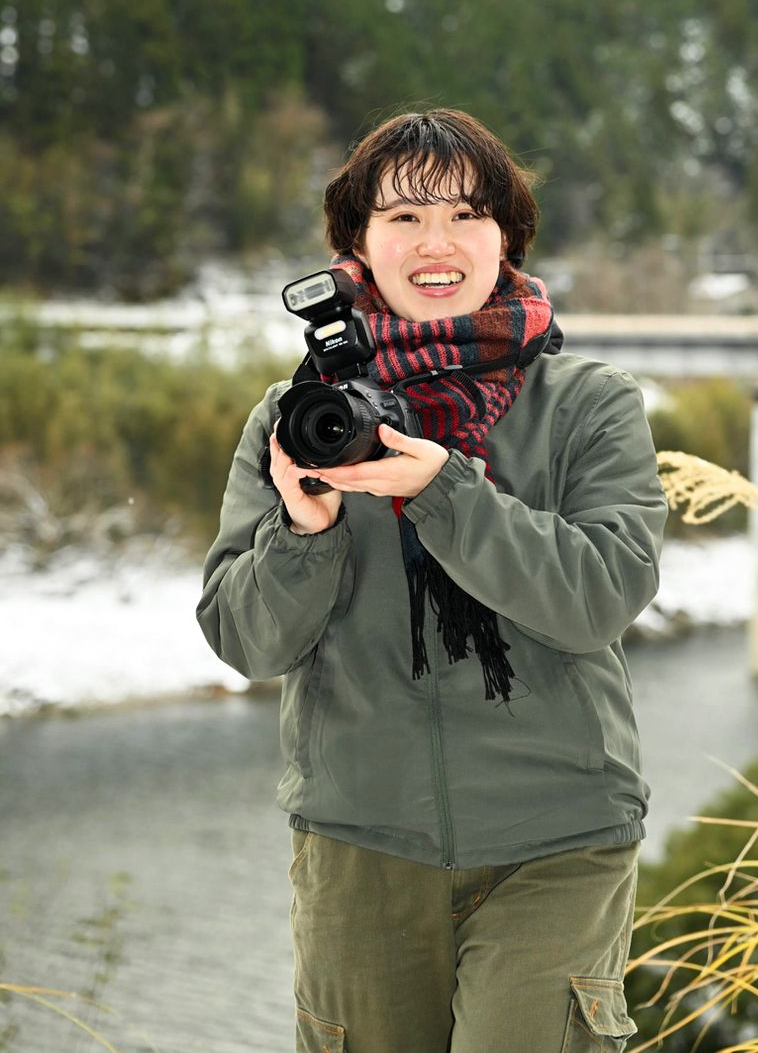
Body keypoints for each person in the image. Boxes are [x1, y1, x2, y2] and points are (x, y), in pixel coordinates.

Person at [197, 108, 667, 1053]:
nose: (437, 243)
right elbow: (247, 643)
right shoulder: (301, 421)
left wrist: (446, 491)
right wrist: (303, 527)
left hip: (559, 836)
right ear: (356, 245)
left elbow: (603, 594)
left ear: (509, 238)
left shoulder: (587, 405)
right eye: (404, 217)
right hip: (359, 843)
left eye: (465, 214)